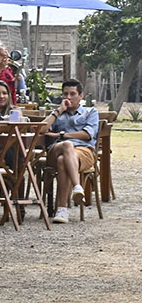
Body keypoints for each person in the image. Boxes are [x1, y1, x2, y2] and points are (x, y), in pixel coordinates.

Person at [43, 79, 99, 224]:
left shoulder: (90, 112)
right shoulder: (57, 113)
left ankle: (62, 210)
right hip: (56, 149)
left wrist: (62, 135)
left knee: (63, 160)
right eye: (65, 94)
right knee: (67, 146)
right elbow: (42, 129)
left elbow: (87, 134)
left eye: (72, 94)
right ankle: (77, 186)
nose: (68, 97)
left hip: (83, 151)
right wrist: (59, 110)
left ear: (81, 95)